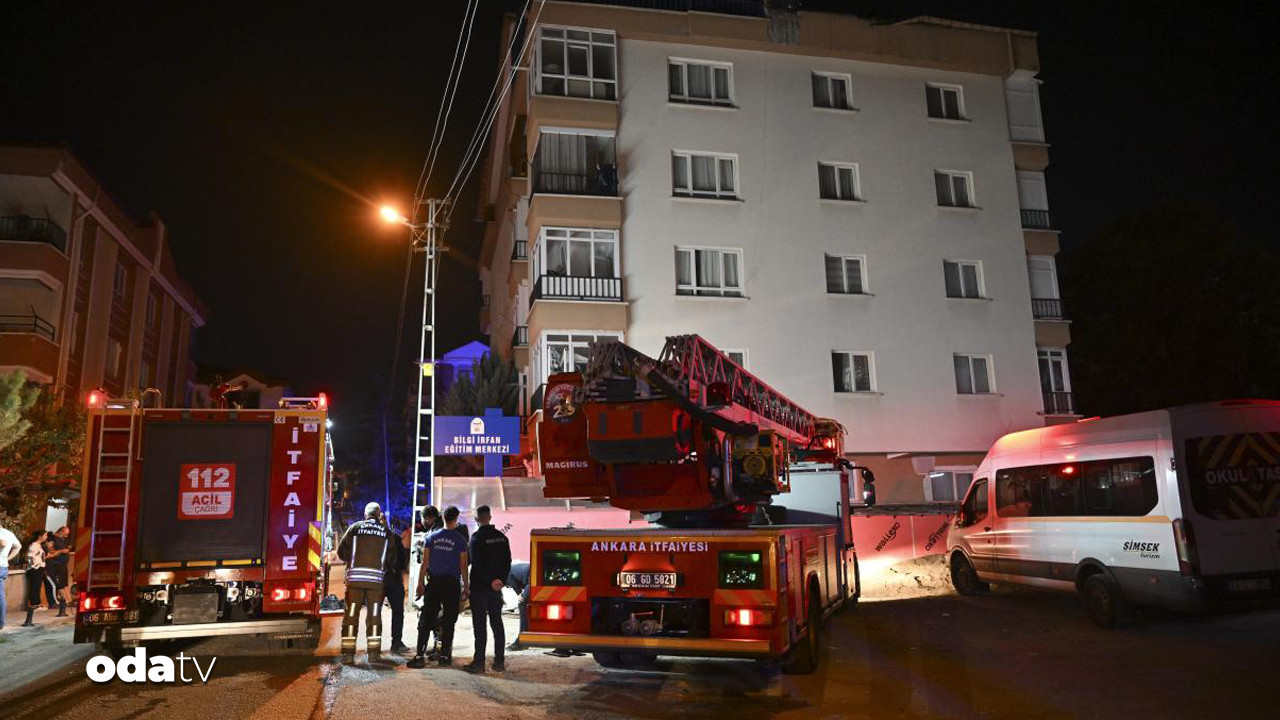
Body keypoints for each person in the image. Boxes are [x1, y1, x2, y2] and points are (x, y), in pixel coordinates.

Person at [407, 506, 467, 668]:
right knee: (449, 621)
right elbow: (463, 566)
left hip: (434, 583)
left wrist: (420, 584)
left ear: (444, 518)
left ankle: (420, 656)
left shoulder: (431, 537)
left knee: (426, 619)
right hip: (452, 584)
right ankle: (445, 656)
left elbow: (425, 563)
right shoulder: (460, 540)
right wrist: (466, 587)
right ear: (455, 519)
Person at [336, 502, 396, 662]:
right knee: (374, 616)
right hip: (375, 583)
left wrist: (353, 560)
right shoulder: (386, 532)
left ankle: (348, 654)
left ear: (365, 514)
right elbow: (392, 559)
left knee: (351, 615)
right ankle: (373, 653)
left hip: (354, 581)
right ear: (379, 514)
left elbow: (341, 552)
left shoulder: (354, 528)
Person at [463, 505, 512, 674]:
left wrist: (489, 581)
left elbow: (477, 564)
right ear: (490, 517)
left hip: (480, 588)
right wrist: (500, 581)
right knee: (497, 624)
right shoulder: (502, 538)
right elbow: (507, 562)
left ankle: (479, 663)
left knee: (480, 626)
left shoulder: (476, 538)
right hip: (496, 588)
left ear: (477, 519)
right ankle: (499, 662)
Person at [382, 515, 410, 653]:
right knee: (398, 611)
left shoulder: (373, 539)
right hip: (393, 580)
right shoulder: (396, 538)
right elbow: (403, 560)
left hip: (377, 581)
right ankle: (396, 642)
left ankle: (374, 645)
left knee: (374, 614)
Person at [22, 530, 51, 626]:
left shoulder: (39, 545)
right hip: (35, 569)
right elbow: (31, 557)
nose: (46, 537)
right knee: (34, 586)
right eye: (45, 535)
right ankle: (34, 604)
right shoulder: (34, 545)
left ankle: (37, 604)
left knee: (37, 586)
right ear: (40, 536)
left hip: (39, 568)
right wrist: (37, 565)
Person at [505, 561, 531, 652]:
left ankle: (521, 641)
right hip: (533, 576)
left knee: (522, 603)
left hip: (533, 579)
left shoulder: (504, 573)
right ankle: (527, 637)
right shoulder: (509, 568)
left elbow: (513, 582)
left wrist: (521, 595)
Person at [45, 526, 71, 617]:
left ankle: (67, 601)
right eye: (65, 534)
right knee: (57, 584)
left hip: (62, 565)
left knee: (64, 584)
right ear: (60, 531)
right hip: (55, 565)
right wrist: (62, 551)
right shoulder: (52, 538)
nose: (66, 536)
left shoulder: (62, 539)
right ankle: (57, 602)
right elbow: (50, 551)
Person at [0, 521, 21, 631]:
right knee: (1, 596)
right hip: (3, 566)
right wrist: (7, 558)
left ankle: (1, 623)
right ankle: (1, 622)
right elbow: (18, 546)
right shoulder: (9, 533)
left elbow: (2, 543)